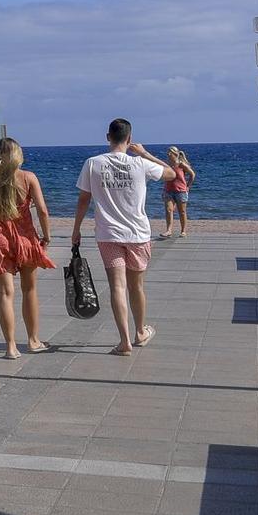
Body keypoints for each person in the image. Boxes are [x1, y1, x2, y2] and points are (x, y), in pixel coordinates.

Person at [72, 118, 171, 355]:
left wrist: (76, 229)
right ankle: (139, 331)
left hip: (108, 235)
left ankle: (124, 341)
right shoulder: (140, 164)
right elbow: (171, 174)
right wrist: (146, 153)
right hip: (137, 234)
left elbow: (84, 200)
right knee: (136, 286)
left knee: (117, 286)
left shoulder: (92, 164)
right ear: (129, 138)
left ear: (108, 137)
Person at [0, 137, 55, 358]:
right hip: (24, 239)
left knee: (5, 293)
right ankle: (33, 341)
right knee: (29, 290)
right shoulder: (28, 178)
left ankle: (11, 347)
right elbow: (42, 210)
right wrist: (46, 236)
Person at [159, 146, 196, 239]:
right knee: (168, 210)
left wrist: (188, 186)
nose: (168, 154)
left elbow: (192, 174)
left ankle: (183, 231)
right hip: (168, 191)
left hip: (181, 191)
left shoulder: (181, 164)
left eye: (170, 152)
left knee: (182, 212)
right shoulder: (167, 165)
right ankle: (169, 230)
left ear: (175, 154)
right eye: (168, 152)